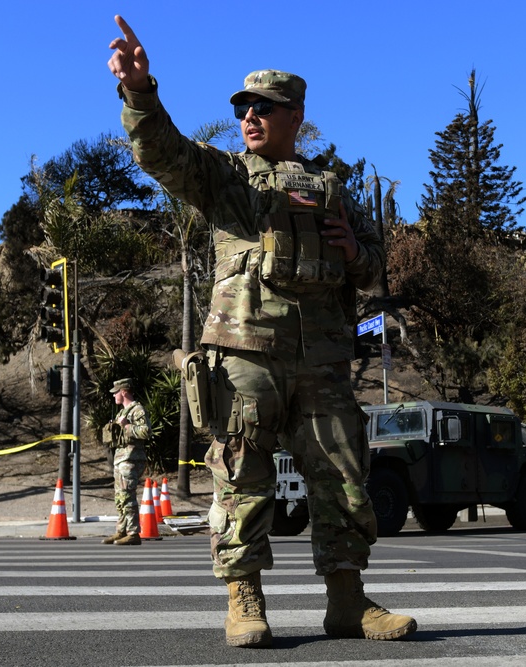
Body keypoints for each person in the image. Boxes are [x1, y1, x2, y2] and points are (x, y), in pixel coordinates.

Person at [106, 15, 415, 648]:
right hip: (244, 355)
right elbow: (162, 151)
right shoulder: (226, 179)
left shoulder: (335, 189)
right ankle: (243, 600)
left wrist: (354, 248)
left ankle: (348, 602)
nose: (249, 116)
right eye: (243, 106)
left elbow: (377, 269)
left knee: (343, 480)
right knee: (241, 477)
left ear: (295, 115)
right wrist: (140, 91)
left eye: (264, 107)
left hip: (323, 360)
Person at [102, 378, 148, 546]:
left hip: (131, 458)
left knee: (127, 496)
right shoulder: (122, 412)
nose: (114, 396)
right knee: (120, 497)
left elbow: (145, 432)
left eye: (116, 393)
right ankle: (121, 530)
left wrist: (127, 426)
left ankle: (133, 532)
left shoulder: (137, 410)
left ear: (123, 391)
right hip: (121, 458)